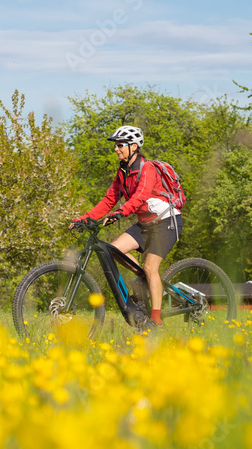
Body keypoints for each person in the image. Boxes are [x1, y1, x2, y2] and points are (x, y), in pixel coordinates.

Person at [72, 125, 182, 325]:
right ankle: (144, 279)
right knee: (113, 250)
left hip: (166, 222)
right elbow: (108, 200)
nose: (116, 149)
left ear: (134, 146)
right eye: (116, 145)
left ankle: (155, 321)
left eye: (120, 145)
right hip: (145, 224)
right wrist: (84, 218)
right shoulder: (122, 172)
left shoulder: (146, 168)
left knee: (151, 266)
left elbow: (140, 197)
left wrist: (120, 212)